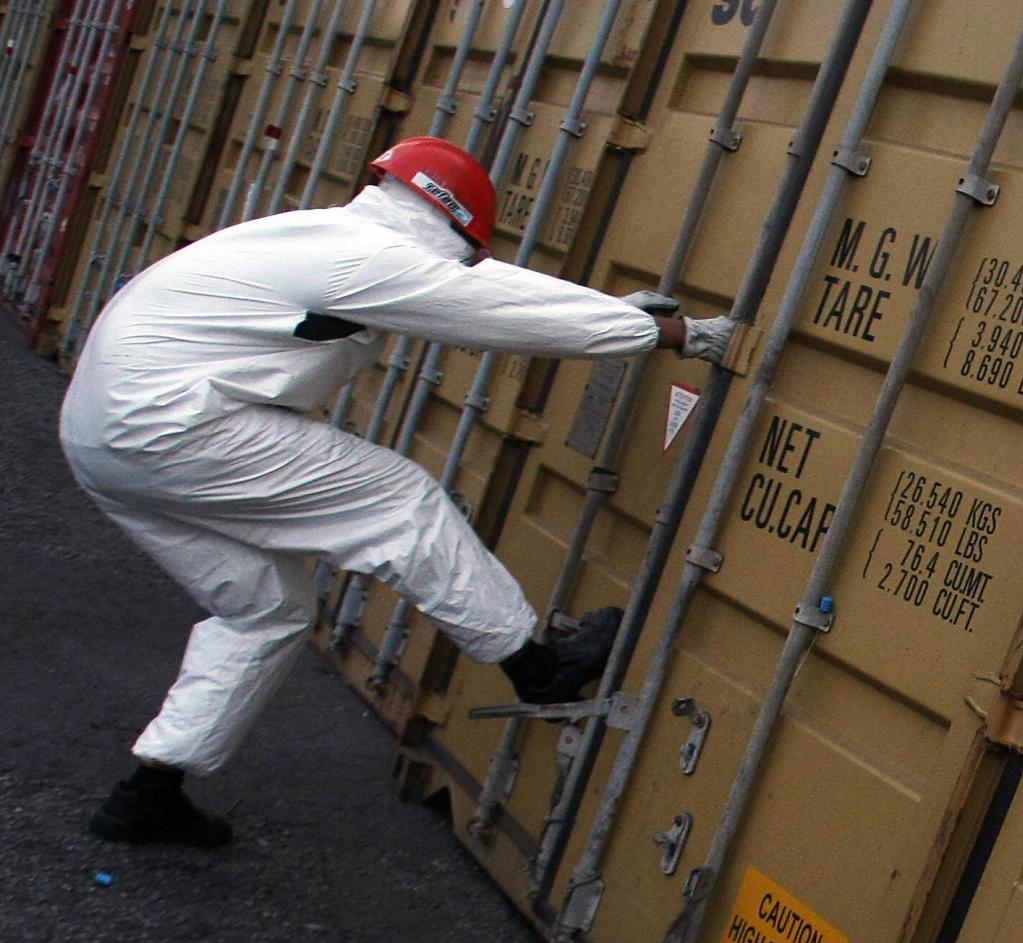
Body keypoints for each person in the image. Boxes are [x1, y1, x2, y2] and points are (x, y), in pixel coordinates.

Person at [58, 135, 736, 847]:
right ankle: (537, 666)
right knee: (397, 502)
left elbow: (485, 292)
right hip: (170, 427)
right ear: (452, 225)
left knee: (268, 609)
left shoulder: (332, 237)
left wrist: (608, 311)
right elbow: (487, 310)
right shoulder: (364, 258)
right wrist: (666, 332)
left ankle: (150, 791)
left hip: (103, 434)